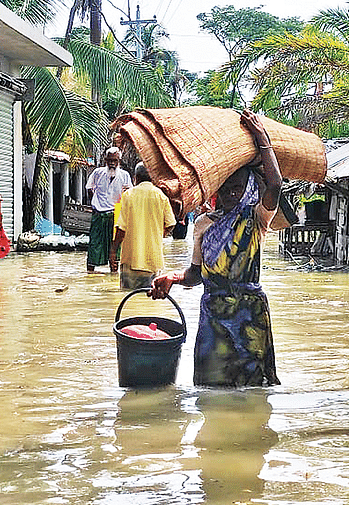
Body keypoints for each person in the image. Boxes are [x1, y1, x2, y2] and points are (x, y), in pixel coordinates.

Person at [149, 110, 282, 387]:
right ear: (216, 191)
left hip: (250, 315)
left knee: (252, 389)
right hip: (213, 316)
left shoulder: (257, 218)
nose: (232, 194)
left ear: (248, 188)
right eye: (226, 188)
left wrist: (262, 138)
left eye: (238, 188)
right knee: (210, 389)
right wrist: (173, 278)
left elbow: (276, 185)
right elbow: (196, 274)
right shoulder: (202, 224)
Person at [109, 162, 176, 290]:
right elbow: (171, 223)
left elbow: (121, 229)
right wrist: (158, 235)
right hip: (153, 262)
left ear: (136, 178)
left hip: (131, 260)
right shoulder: (161, 196)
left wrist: (113, 251)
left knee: (128, 300)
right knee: (150, 300)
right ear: (152, 178)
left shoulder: (128, 195)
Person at [86, 147, 133, 272]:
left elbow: (129, 193)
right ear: (105, 160)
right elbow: (89, 187)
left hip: (115, 215)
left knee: (115, 249)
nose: (112, 163)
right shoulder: (97, 173)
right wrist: (95, 203)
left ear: (119, 161)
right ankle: (90, 274)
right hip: (99, 215)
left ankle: (113, 277)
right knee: (94, 247)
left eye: (115, 160)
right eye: (110, 160)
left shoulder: (124, 175)